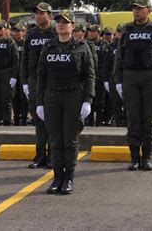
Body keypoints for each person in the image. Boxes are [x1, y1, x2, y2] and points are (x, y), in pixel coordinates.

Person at [36, 10, 95, 195]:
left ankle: (68, 177)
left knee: (69, 139)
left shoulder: (82, 47)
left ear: (72, 26)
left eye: (65, 22)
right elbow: (41, 76)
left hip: (73, 96)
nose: (61, 24)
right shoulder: (48, 47)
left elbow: (89, 76)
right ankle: (57, 178)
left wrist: (88, 100)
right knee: (55, 139)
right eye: (59, 21)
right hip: (52, 96)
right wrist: (40, 102)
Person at [114, 0, 152, 171]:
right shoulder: (126, 29)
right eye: (134, 8)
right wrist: (118, 81)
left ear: (149, 10)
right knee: (132, 118)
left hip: (151, 77)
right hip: (130, 77)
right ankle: (134, 157)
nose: (136, 11)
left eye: (140, 8)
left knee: (149, 118)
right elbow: (119, 57)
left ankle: (146, 157)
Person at [21, 2, 56, 169]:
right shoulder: (31, 34)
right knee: (38, 118)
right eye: (36, 13)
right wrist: (24, 81)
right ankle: (40, 154)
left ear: (50, 15)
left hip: (52, 80)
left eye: (42, 13)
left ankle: (52, 155)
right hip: (35, 79)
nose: (38, 16)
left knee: (52, 118)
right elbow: (25, 59)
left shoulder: (56, 31)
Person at [103, 24, 125, 127]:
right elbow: (106, 64)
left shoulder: (128, 44)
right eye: (119, 31)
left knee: (128, 103)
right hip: (113, 78)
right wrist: (106, 80)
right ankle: (118, 122)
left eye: (122, 31)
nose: (120, 34)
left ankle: (127, 123)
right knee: (115, 103)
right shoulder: (111, 46)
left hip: (126, 77)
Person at [11, 22, 29, 126]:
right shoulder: (11, 43)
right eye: (15, 31)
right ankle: (16, 117)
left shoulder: (26, 43)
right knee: (14, 97)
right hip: (14, 74)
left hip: (24, 74)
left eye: (19, 31)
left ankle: (24, 118)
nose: (16, 33)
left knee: (24, 98)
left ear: (24, 32)